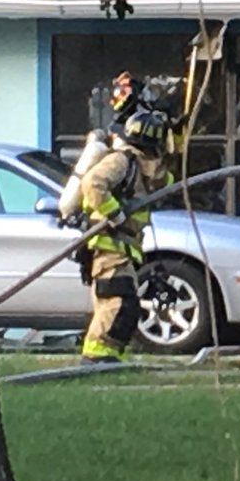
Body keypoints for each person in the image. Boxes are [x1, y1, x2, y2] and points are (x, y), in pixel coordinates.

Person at [78, 109, 173, 364]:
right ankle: (96, 359)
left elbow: (165, 182)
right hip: (108, 245)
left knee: (122, 305)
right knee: (118, 302)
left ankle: (107, 357)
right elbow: (92, 183)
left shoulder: (142, 167)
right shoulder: (122, 161)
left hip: (124, 248)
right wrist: (115, 214)